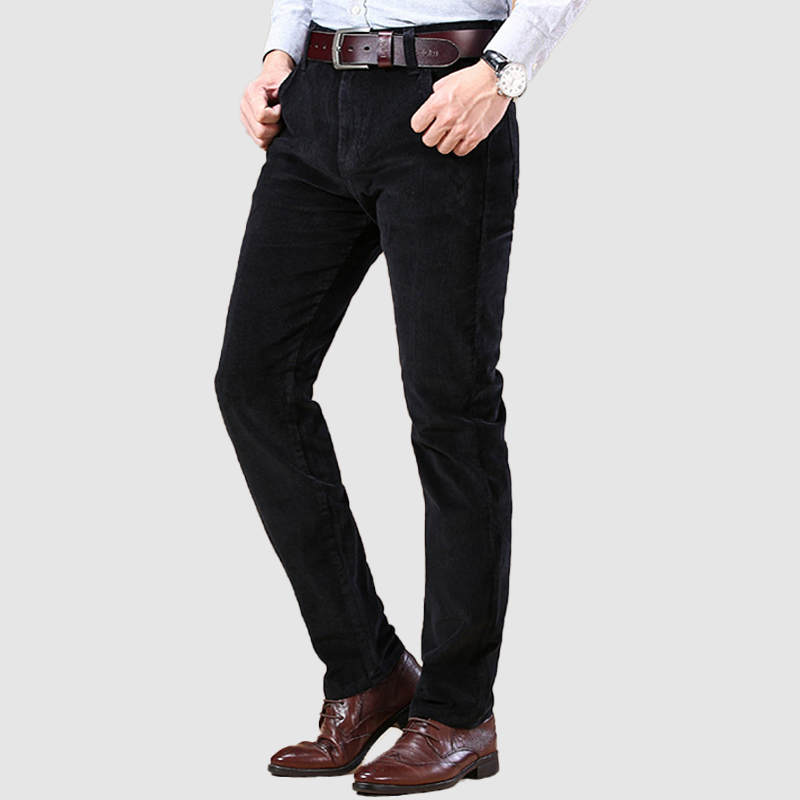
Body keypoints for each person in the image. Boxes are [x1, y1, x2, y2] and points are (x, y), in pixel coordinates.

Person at [215, 1, 589, 794]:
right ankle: (368, 671)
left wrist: (503, 72)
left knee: (451, 411)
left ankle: (458, 714)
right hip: (313, 104)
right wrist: (279, 55)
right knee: (253, 382)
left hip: (443, 100)